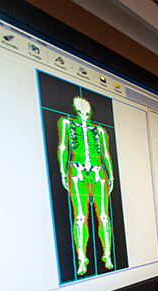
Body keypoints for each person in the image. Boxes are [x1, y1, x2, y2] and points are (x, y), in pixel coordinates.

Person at [58, 96, 115, 276]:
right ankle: (82, 258)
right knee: (80, 217)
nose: (85, 114)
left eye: (87, 111)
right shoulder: (67, 124)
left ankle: (107, 255)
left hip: (99, 173)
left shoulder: (98, 130)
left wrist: (111, 176)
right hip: (77, 172)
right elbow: (63, 147)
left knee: (104, 217)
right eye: (82, 110)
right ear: (77, 109)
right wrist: (62, 172)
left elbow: (105, 153)